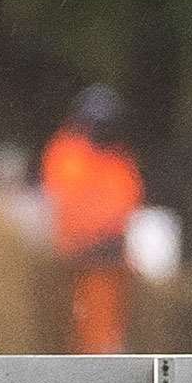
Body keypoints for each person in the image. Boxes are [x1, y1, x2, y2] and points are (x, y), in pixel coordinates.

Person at [38, 85, 143, 353]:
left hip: (105, 259)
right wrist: (94, 234)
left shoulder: (117, 160)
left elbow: (126, 202)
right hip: (73, 257)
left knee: (103, 331)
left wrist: (109, 235)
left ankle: (102, 356)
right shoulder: (68, 153)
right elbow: (68, 205)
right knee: (73, 326)